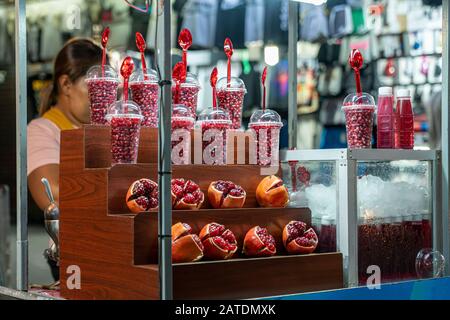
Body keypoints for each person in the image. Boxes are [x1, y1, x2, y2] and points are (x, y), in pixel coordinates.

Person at [27, 38, 106, 281]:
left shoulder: (102, 128)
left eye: (107, 87)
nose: (103, 95)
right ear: (66, 84)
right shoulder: (42, 130)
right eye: (94, 86)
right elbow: (52, 194)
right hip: (76, 255)